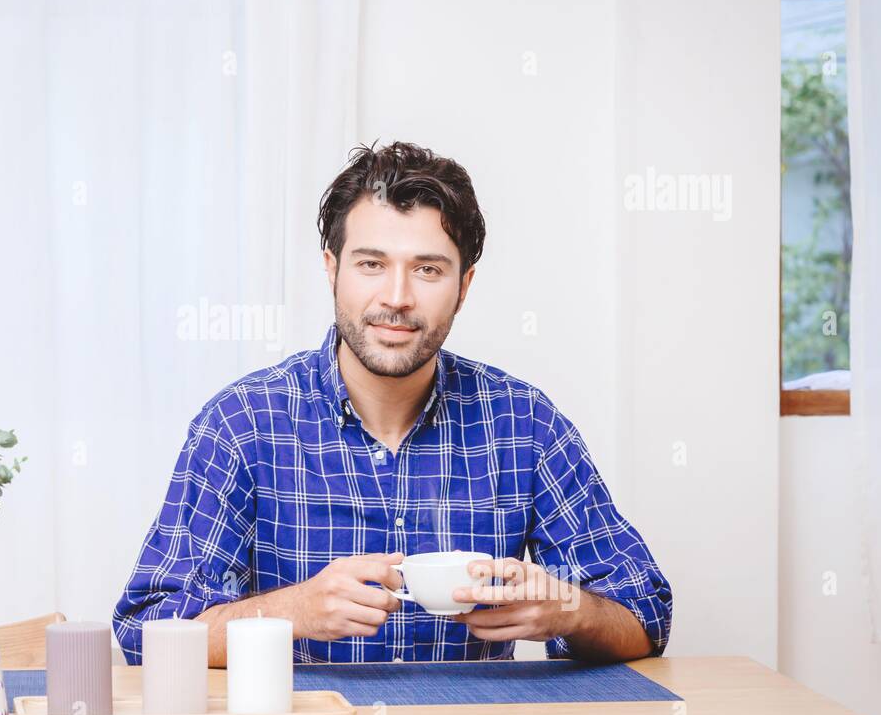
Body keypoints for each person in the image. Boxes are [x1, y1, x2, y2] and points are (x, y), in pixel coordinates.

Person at [112, 141, 672, 667]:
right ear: (332, 269)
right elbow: (146, 632)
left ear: (465, 284)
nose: (397, 298)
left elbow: (646, 620)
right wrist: (293, 612)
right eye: (371, 264)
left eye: (428, 269)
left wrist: (567, 611)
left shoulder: (523, 424)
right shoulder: (242, 424)